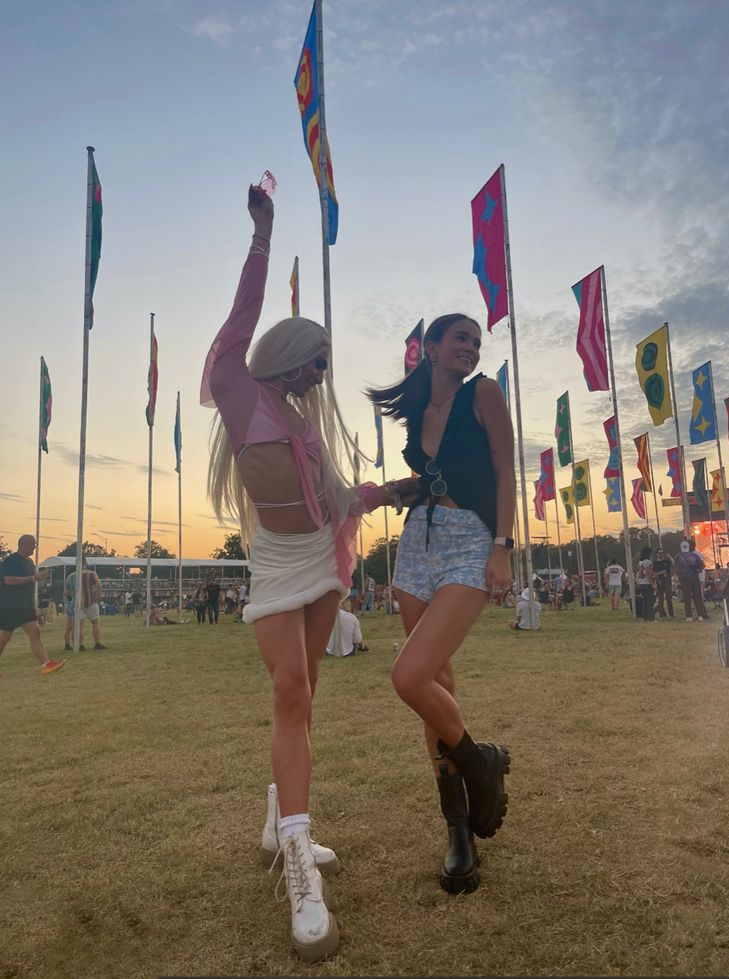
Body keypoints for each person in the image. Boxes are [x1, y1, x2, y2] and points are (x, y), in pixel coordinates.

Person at [202, 184, 416, 962]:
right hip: (274, 564)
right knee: (288, 691)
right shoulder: (240, 390)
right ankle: (298, 858)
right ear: (289, 354)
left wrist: (390, 491)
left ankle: (277, 820)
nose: (321, 373)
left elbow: (334, 499)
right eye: (316, 359)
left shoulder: (308, 425)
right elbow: (239, 320)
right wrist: (263, 236)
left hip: (324, 560)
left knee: (306, 696)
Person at [367, 312, 515, 898]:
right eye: (460, 339)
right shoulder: (416, 413)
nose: (472, 349)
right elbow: (434, 477)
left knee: (410, 675)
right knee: (439, 684)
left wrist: (502, 546)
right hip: (417, 548)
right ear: (430, 348)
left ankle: (480, 766)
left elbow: (505, 469)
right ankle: (459, 831)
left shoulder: (484, 392)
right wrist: (393, 491)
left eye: (476, 343)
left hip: (471, 543)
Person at [0, 535, 65, 675]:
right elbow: (7, 580)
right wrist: (33, 578)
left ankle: (46, 664)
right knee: (4, 638)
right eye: (32, 545)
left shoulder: (29, 562)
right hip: (10, 605)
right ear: (22, 544)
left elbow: (30, 584)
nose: (34, 548)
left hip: (26, 606)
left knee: (35, 633)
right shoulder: (10, 561)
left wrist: (35, 607)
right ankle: (46, 664)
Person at [64, 558, 108, 650]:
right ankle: (97, 643)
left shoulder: (70, 576)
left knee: (79, 625)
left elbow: (66, 592)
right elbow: (99, 586)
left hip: (77, 603)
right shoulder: (91, 573)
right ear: (85, 563)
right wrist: (97, 597)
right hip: (91, 601)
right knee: (95, 623)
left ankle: (80, 645)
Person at [673, 539, 707, 621]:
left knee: (687, 597)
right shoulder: (695, 556)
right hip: (694, 577)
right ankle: (700, 615)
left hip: (685, 579)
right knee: (697, 597)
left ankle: (689, 616)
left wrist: (679, 576)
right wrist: (698, 571)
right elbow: (702, 565)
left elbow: (676, 568)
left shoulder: (678, 556)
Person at [652, 547, 675, 619]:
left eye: (662, 553)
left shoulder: (666, 561)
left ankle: (671, 614)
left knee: (669, 598)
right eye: (659, 553)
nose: (661, 554)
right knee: (661, 599)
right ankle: (661, 615)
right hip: (660, 582)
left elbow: (673, 563)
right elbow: (654, 573)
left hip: (667, 581)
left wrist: (669, 556)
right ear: (656, 554)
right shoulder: (655, 563)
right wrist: (660, 574)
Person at [636, 546, 655, 621]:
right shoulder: (648, 562)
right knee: (649, 602)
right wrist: (652, 583)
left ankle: (645, 617)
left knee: (645, 601)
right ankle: (650, 618)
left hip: (641, 583)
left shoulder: (640, 562)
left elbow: (640, 573)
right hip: (647, 583)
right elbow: (648, 573)